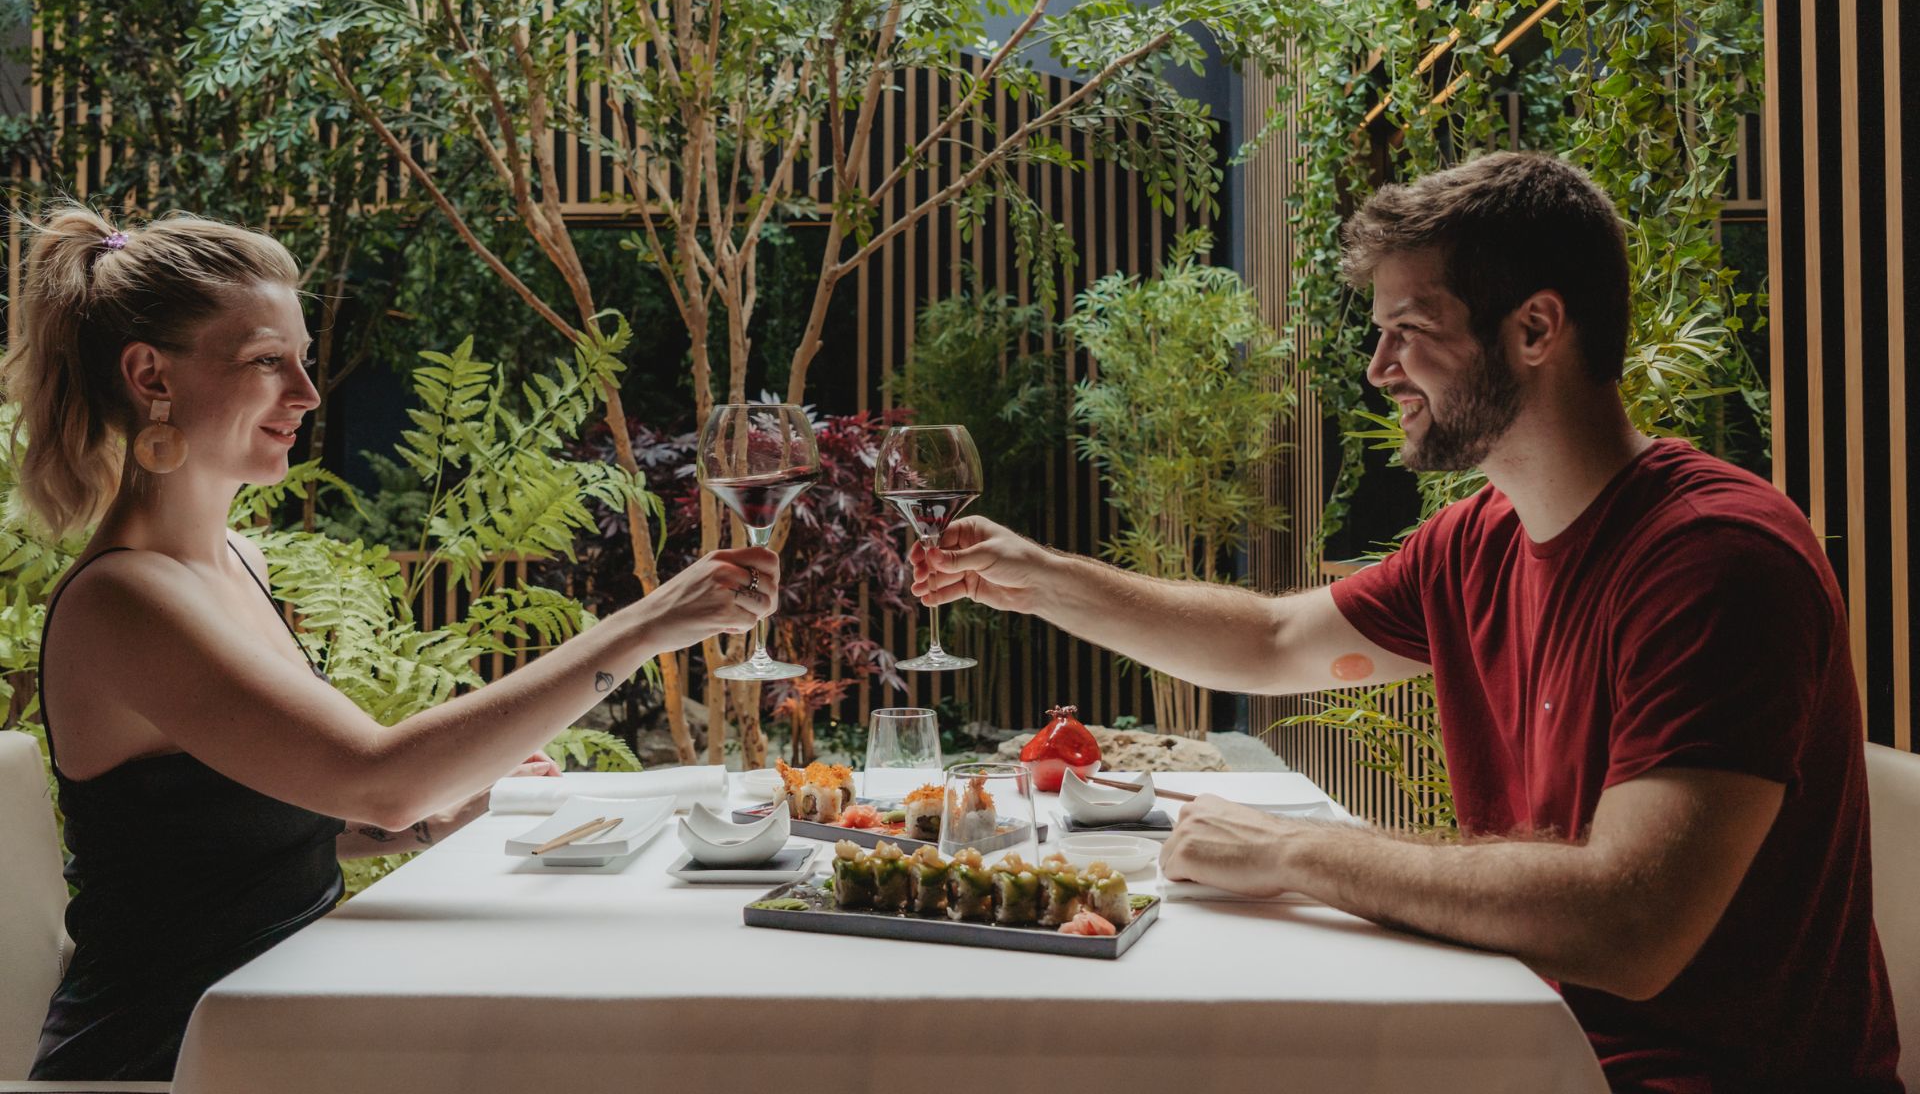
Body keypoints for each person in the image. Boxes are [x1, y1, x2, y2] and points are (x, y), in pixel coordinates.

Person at [912, 152, 1901, 1092]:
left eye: (1409, 330)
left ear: (1536, 330)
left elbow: (1630, 925)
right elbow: (1266, 642)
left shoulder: (1715, 558)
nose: (1380, 369)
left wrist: (1296, 853)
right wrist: (1039, 579)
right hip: (1518, 1043)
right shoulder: (1477, 543)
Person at [2, 206, 777, 1081]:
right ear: (151, 375)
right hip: (168, 1058)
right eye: (267, 362)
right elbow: (382, 775)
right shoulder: (123, 600)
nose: (305, 392)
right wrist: (648, 623)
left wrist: (416, 824)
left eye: (302, 359)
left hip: (282, 1024)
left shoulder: (234, 562)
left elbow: (207, 836)